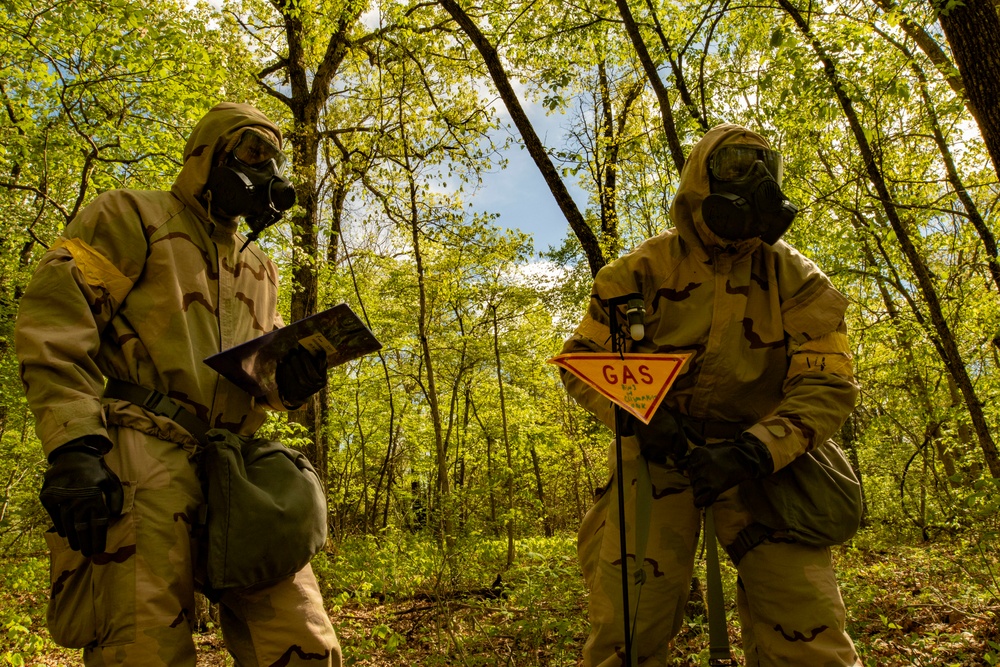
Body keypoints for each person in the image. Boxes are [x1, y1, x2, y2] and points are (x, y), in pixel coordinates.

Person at [15, 102, 342, 666]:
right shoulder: (132, 216)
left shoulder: (260, 266)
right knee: (143, 647)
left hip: (238, 467)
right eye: (253, 153)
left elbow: (251, 377)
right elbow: (55, 322)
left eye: (274, 159)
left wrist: (288, 382)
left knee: (301, 639)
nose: (267, 171)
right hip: (142, 456)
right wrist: (73, 447)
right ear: (208, 155)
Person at [561, 123, 862, 666]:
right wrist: (641, 417)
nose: (752, 183)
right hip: (656, 461)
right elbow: (584, 364)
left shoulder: (798, 280)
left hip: (765, 466)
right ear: (700, 179)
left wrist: (754, 450)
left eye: (763, 169)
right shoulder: (638, 272)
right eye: (735, 167)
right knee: (629, 626)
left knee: (807, 626)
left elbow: (828, 382)